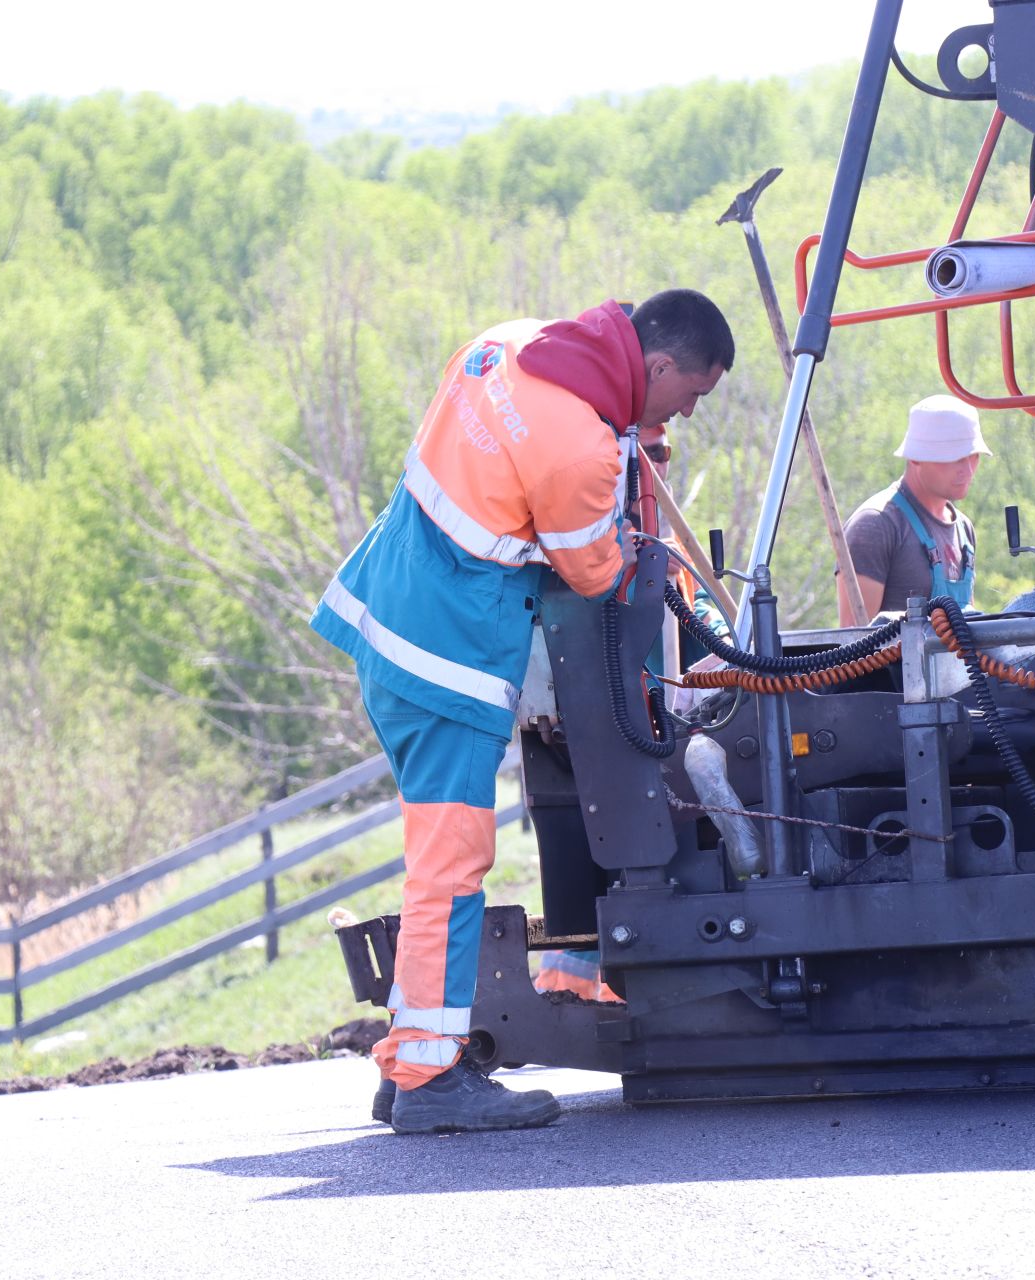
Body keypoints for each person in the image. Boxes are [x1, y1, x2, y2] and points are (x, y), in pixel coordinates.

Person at [313, 290, 733, 1134]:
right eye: (688, 394)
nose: (685, 412)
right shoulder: (580, 448)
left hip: (385, 612)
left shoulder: (504, 346)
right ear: (654, 367)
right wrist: (637, 556)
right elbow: (593, 572)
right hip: (446, 655)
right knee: (450, 864)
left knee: (440, 859)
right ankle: (430, 1081)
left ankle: (410, 1059)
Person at [839, 394, 989, 625]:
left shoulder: (963, 528)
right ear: (916, 458)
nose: (968, 471)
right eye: (956, 458)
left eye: (973, 456)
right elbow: (852, 646)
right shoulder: (874, 526)